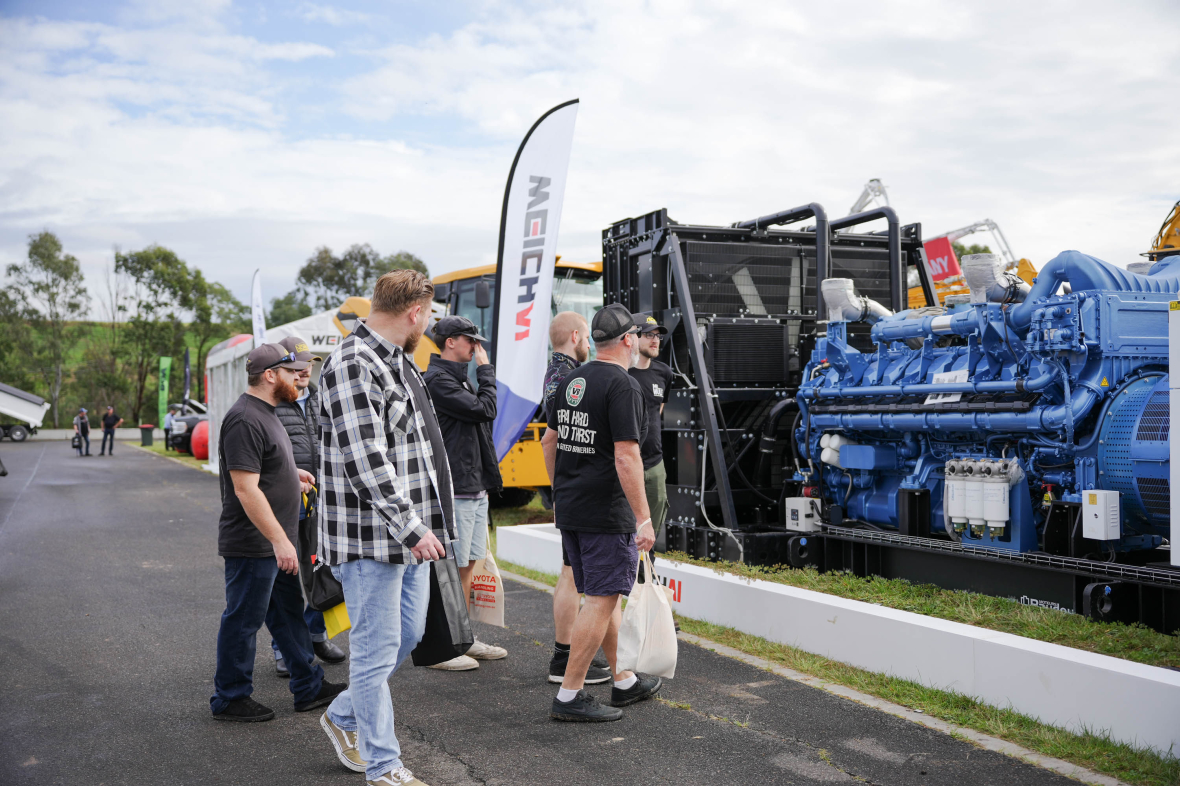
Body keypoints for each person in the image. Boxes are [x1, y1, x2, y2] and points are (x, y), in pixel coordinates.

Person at [317, 270, 452, 786]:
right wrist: (414, 528)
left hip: (408, 535)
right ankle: (383, 766)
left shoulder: (396, 360)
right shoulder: (354, 362)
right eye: (428, 316)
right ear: (415, 312)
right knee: (374, 654)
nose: (428, 325)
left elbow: (416, 451)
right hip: (370, 538)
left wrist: (425, 526)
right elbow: (366, 460)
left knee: (409, 634)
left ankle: (343, 714)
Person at [210, 342, 346, 723]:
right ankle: (229, 697)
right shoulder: (244, 419)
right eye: (291, 372)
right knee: (243, 619)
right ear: (270, 375)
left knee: (287, 616)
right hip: (254, 544)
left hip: (272, 542)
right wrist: (280, 540)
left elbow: (263, 469)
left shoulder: (267, 413)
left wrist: (291, 475)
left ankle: (308, 685)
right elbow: (245, 489)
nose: (300, 377)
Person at [541, 303, 662, 723]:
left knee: (602, 594)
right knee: (601, 598)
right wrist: (643, 518)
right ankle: (570, 695)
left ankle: (623, 680)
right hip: (604, 512)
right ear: (628, 340)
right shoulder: (623, 386)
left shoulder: (571, 379)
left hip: (572, 507)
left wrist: (559, 492)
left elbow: (550, 441)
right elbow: (626, 457)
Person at [423, 315, 507, 671]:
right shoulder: (438, 380)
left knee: (468, 564)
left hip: (473, 485)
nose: (477, 347)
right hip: (455, 487)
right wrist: (486, 373)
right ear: (451, 342)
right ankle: (441, 648)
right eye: (471, 340)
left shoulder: (457, 378)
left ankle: (462, 638)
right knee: (451, 569)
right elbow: (486, 410)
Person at [266, 335, 347, 677]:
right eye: (296, 366)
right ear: (280, 369)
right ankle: (284, 648)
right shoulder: (270, 403)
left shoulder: (319, 397)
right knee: (284, 580)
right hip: (283, 505)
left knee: (323, 573)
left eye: (308, 364)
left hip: (320, 503)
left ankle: (315, 635)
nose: (303, 371)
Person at [542, 312, 613, 687]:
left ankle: (566, 654)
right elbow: (552, 440)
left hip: (569, 490)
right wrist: (561, 489)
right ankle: (565, 657)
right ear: (574, 336)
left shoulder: (556, 373)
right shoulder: (571, 378)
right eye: (586, 337)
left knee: (570, 573)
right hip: (579, 491)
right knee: (574, 577)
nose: (589, 344)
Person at [628, 315, 673, 558]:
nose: (655, 340)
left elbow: (657, 411)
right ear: (633, 337)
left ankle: (646, 577)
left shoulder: (664, 373)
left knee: (650, 539)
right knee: (626, 537)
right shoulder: (621, 372)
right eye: (648, 335)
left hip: (655, 465)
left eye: (658, 336)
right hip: (625, 464)